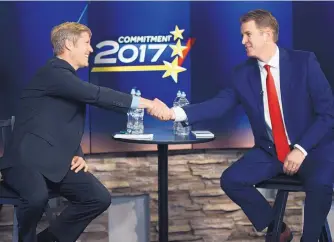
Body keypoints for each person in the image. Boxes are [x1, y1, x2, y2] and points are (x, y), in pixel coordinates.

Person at [150, 9, 334, 242]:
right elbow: (218, 105)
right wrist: (173, 113)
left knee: (320, 185)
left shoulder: (304, 62)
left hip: (313, 149)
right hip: (271, 151)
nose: (242, 41)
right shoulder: (242, 74)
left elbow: (327, 114)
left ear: (266, 35)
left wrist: (301, 149)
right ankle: (277, 228)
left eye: (248, 35)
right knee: (232, 179)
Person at [0, 22, 169, 242]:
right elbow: (98, 95)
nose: (91, 49)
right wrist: (148, 104)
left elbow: (55, 122)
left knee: (97, 197)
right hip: (24, 161)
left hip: (55, 161)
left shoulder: (64, 78)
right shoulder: (53, 73)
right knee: (36, 197)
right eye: (87, 43)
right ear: (69, 44)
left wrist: (77, 152)